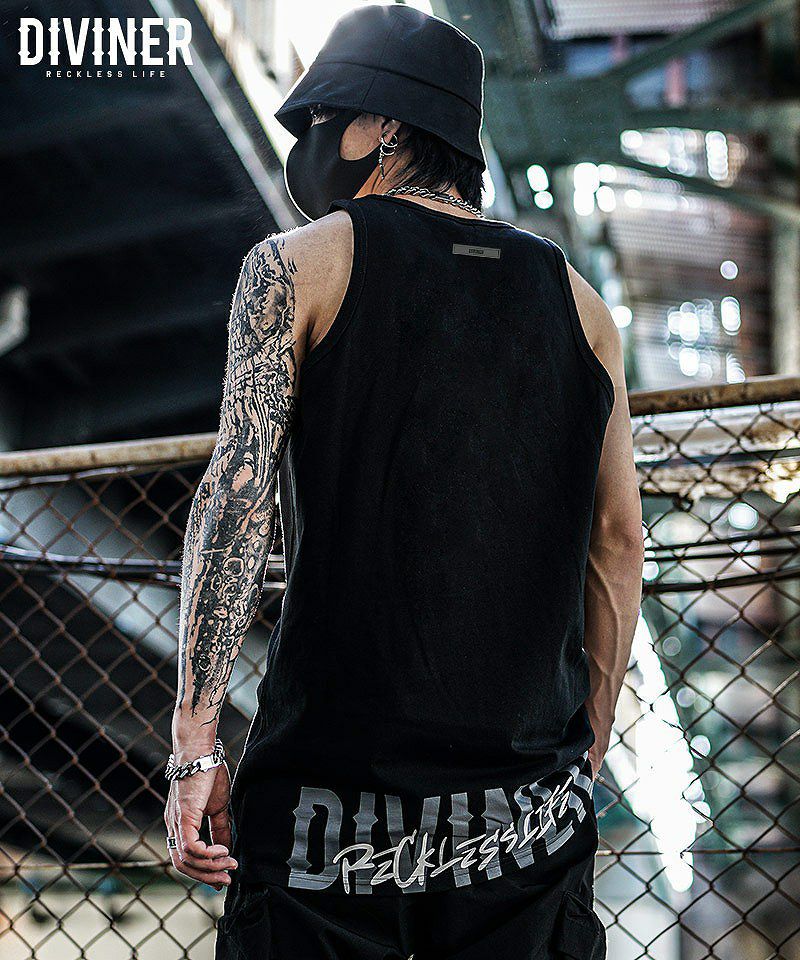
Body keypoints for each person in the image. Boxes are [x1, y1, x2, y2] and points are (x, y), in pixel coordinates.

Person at [163, 5, 643, 958]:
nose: (310, 145)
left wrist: (195, 745)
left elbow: (238, 497)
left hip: (327, 817)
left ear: (381, 124)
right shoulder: (581, 306)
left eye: (323, 118)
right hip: (523, 820)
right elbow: (618, 539)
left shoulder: (298, 267)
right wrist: (584, 752)